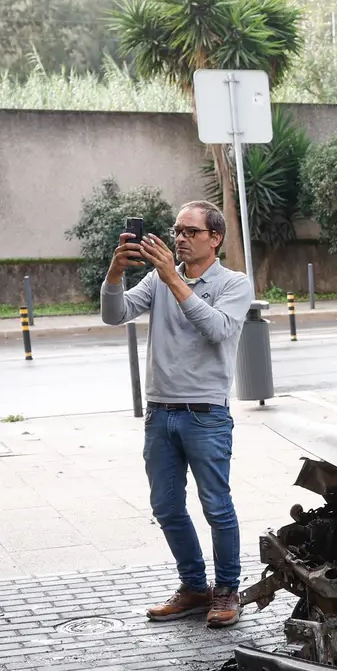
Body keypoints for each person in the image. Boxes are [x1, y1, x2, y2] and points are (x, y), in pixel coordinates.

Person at [101, 202, 254, 628]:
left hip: (205, 415)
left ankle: (226, 591)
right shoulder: (156, 279)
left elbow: (219, 328)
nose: (180, 238)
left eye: (190, 231)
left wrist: (174, 279)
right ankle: (192, 587)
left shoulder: (234, 284)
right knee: (166, 507)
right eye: (177, 231)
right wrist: (115, 274)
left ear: (215, 238)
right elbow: (114, 314)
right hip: (160, 414)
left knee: (216, 507)